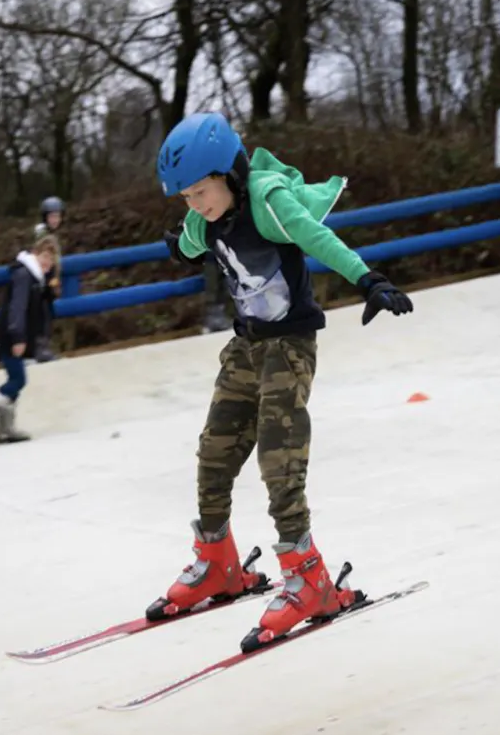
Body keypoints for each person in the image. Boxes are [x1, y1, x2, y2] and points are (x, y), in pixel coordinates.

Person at [146, 111, 414, 653]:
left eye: (201, 192)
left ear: (230, 174)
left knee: (278, 456)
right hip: (246, 345)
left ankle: (307, 576)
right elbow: (194, 243)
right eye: (186, 197)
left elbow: (318, 237)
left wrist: (369, 279)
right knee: (214, 451)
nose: (195, 205)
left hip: (289, 347)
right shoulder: (204, 219)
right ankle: (217, 562)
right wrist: (179, 244)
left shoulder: (267, 203)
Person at [0, 233, 61, 443]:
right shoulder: (24, 275)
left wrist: (50, 287)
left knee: (16, 379)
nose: (48, 263)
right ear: (36, 254)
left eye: (52, 260)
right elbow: (16, 308)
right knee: (18, 379)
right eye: (45, 257)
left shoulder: (38, 279)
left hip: (19, 335)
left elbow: (42, 308)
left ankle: (5, 426)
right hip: (10, 335)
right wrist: (18, 337)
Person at [31, 196, 65, 361]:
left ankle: (42, 347)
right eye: (52, 216)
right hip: (41, 281)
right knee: (42, 313)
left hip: (48, 279)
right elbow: (46, 261)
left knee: (47, 313)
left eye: (57, 216)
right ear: (45, 217)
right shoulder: (44, 237)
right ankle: (40, 348)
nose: (55, 220)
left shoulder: (48, 234)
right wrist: (51, 281)